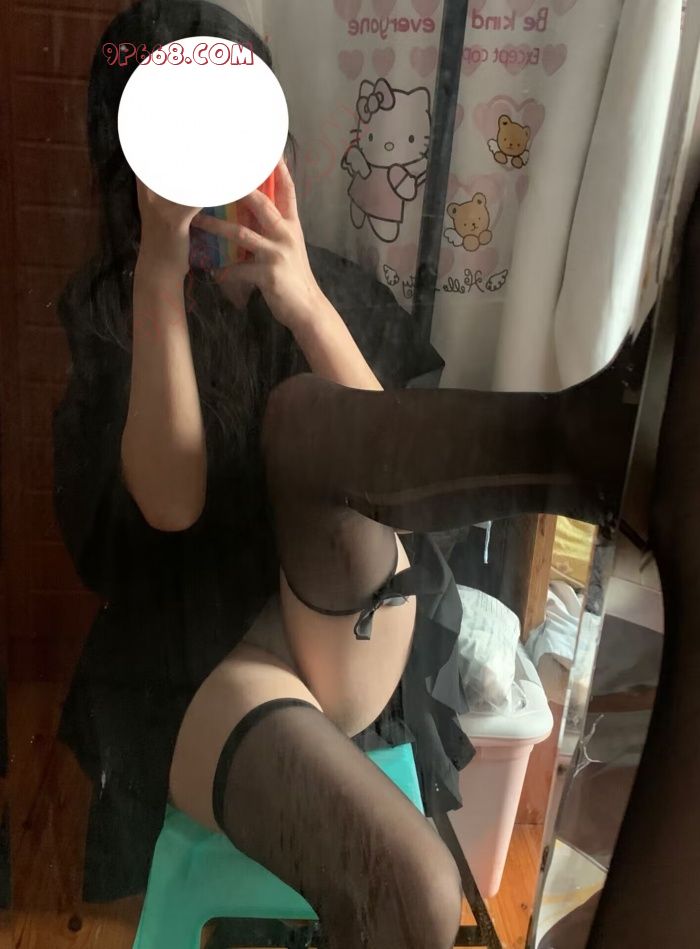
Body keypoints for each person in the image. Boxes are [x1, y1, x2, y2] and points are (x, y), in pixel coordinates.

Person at [54, 1, 642, 947]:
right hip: (215, 662)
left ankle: (571, 440)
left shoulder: (330, 281)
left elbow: (389, 486)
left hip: (353, 617)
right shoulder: (113, 305)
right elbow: (170, 504)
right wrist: (159, 277)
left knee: (310, 423)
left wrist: (304, 303)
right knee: (413, 886)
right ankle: (569, 442)